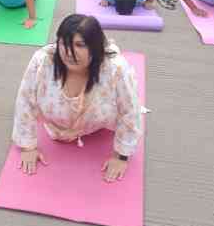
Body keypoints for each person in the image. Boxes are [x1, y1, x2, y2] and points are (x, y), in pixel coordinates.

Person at [12, 14, 142, 181]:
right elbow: (25, 100)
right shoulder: (43, 62)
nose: (69, 52)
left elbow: (130, 111)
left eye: (79, 45)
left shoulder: (115, 69)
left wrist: (121, 157)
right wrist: (27, 147)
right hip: (56, 128)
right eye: (63, 43)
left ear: (95, 47)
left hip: (99, 127)